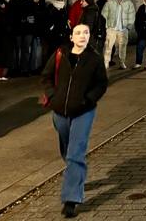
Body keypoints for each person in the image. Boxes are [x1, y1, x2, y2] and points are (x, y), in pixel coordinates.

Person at [41, 22, 108, 218]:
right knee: (67, 148)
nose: (82, 36)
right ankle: (75, 174)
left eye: (86, 33)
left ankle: (71, 199)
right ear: (71, 37)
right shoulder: (61, 54)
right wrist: (52, 96)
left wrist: (88, 100)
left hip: (83, 111)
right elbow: (45, 76)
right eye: (78, 33)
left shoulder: (94, 59)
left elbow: (101, 84)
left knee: (75, 153)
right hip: (60, 111)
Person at [100, 0, 135, 70]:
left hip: (123, 29)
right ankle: (106, 62)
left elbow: (132, 15)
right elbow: (104, 14)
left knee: (122, 47)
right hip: (112, 28)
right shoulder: (110, 2)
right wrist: (107, 26)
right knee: (108, 46)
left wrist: (128, 27)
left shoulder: (129, 3)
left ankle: (122, 62)